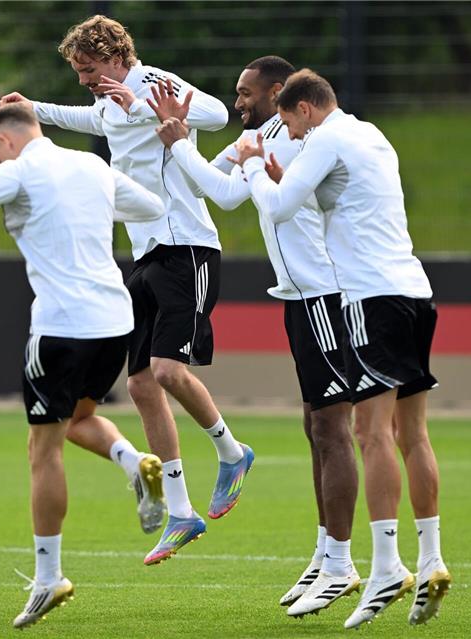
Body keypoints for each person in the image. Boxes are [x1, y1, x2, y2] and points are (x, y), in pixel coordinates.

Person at [0, 14, 254, 566]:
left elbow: (212, 113)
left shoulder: (151, 83)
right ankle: (182, 512)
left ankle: (231, 453)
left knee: (166, 370)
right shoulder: (108, 98)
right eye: (78, 72)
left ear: (116, 56)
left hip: (188, 245)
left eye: (90, 69)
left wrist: (143, 104)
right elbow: (90, 116)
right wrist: (32, 110)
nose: (86, 79)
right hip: (144, 253)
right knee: (140, 385)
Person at [0, 103, 166, 628]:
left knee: (42, 448)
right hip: (114, 323)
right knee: (78, 419)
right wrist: (88, 209)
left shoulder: (20, 169)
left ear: (4, 142)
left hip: (60, 326)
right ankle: (134, 464)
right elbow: (148, 207)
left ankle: (49, 577)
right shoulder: (92, 167)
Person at [232, 69, 451, 628]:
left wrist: (256, 163)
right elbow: (339, 201)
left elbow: (278, 209)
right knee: (413, 433)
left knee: (369, 433)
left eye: (289, 123)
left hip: (369, 297)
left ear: (306, 108)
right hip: (415, 291)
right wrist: (285, 178)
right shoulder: (371, 134)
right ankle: (430, 560)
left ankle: (383, 568)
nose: (292, 136)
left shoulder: (324, 137)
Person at [151, 56, 360, 615]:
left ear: (277, 92)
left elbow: (223, 194)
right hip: (300, 297)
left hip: (325, 295)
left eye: (245, 93)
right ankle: (325, 553)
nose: (237, 102)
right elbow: (211, 183)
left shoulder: (293, 139)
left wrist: (181, 143)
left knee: (334, 427)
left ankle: (341, 562)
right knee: (316, 423)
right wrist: (175, 139)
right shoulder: (265, 133)